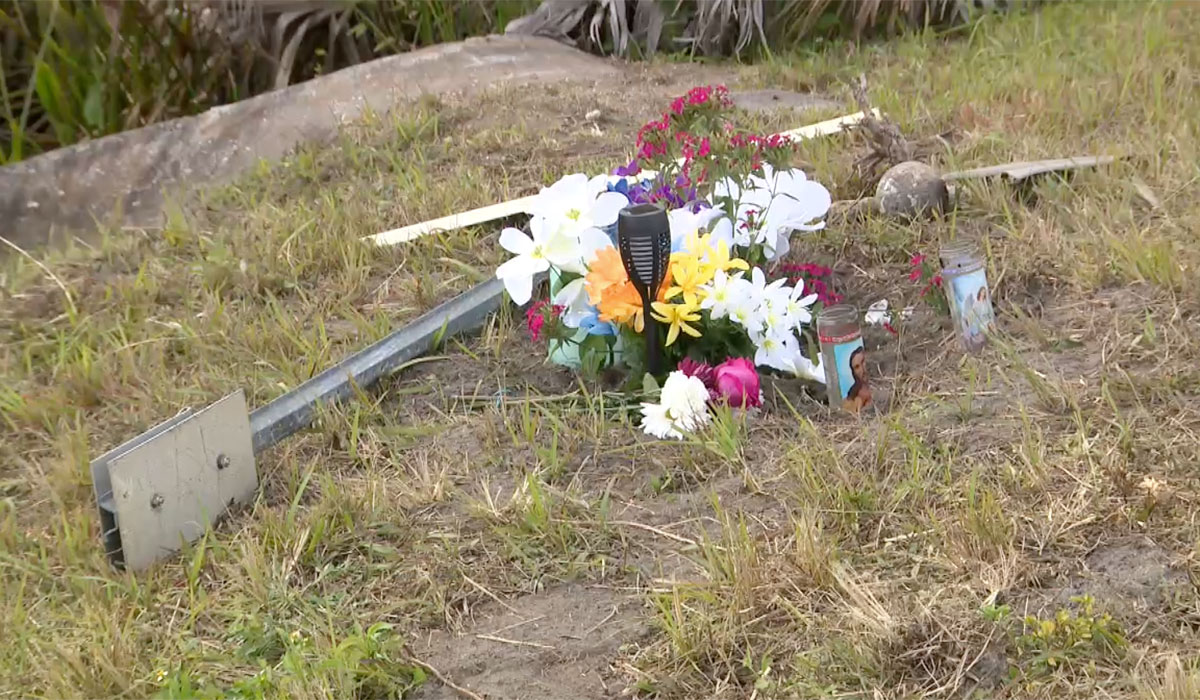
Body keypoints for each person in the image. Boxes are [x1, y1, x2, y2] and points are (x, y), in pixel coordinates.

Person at [843, 345, 871, 412]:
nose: (862, 369)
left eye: (863, 362)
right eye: (857, 367)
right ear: (854, 373)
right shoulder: (855, 396)